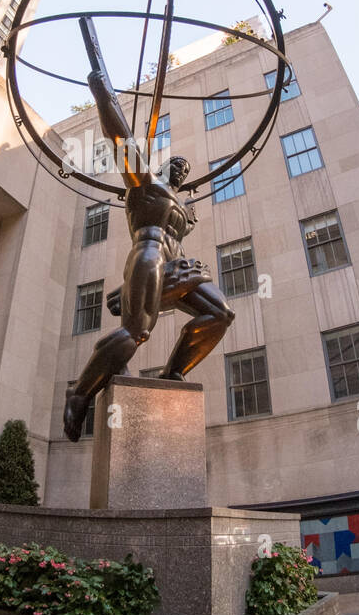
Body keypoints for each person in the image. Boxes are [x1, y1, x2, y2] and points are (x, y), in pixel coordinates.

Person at [63, 28, 235, 441]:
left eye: (184, 170)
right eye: (174, 164)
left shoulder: (182, 208)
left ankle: (173, 372)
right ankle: (80, 392)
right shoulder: (144, 185)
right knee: (138, 331)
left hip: (176, 263)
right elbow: (119, 135)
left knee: (220, 314)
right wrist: (102, 90)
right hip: (148, 255)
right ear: (161, 167)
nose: (179, 170)